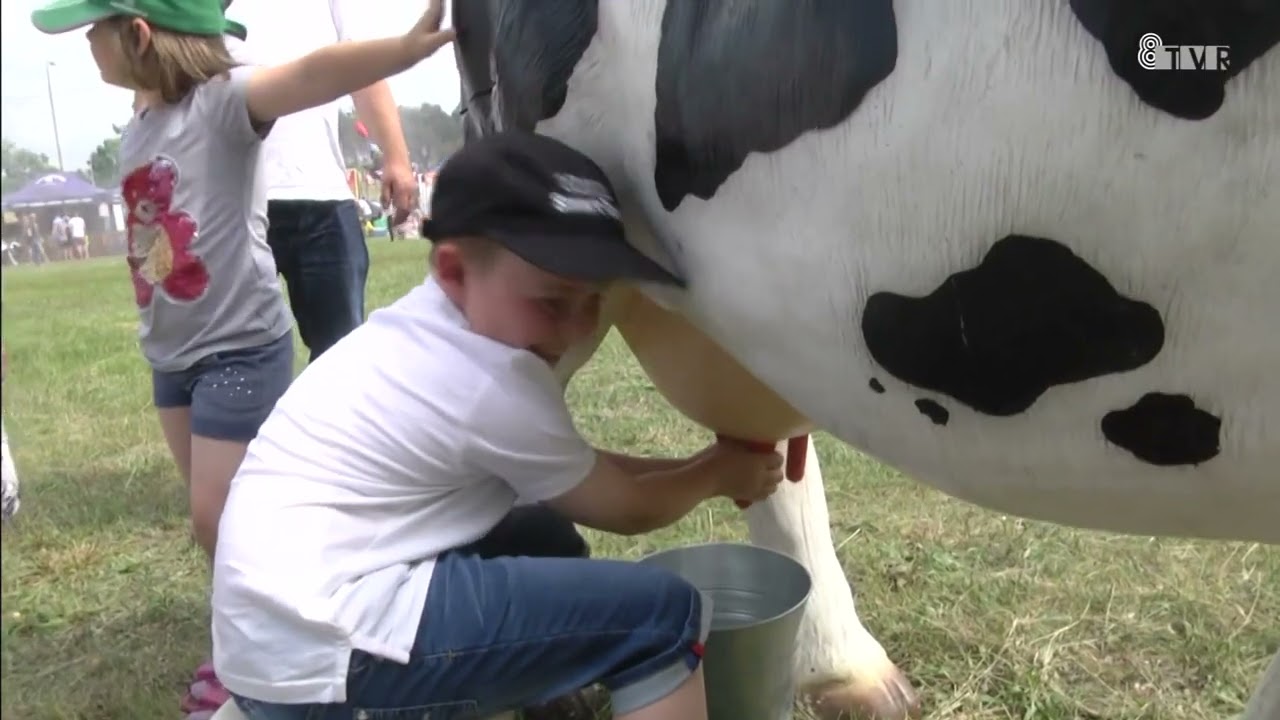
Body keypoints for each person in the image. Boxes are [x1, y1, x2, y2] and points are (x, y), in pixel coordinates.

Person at [210, 130, 786, 720]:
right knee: (661, 619)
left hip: (276, 639)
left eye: (594, 301)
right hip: (329, 661)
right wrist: (716, 475)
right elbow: (628, 508)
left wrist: (711, 466)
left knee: (546, 538)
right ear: (455, 271)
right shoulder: (493, 380)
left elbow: (580, 473)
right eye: (553, 302)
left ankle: (544, 693)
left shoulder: (423, 330)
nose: (575, 331)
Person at [28, 0, 457, 717]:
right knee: (224, 525)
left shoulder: (226, 105)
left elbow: (314, 72)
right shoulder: (138, 124)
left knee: (216, 516)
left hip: (238, 348)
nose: (85, 46)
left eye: (93, 30)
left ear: (138, 34)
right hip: (172, 359)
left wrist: (404, 51)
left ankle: (270, 650)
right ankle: (258, 636)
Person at [223, 0, 419, 363]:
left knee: (340, 354)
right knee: (235, 354)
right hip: (230, 197)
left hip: (319, 191)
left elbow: (362, 68)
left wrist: (396, 156)